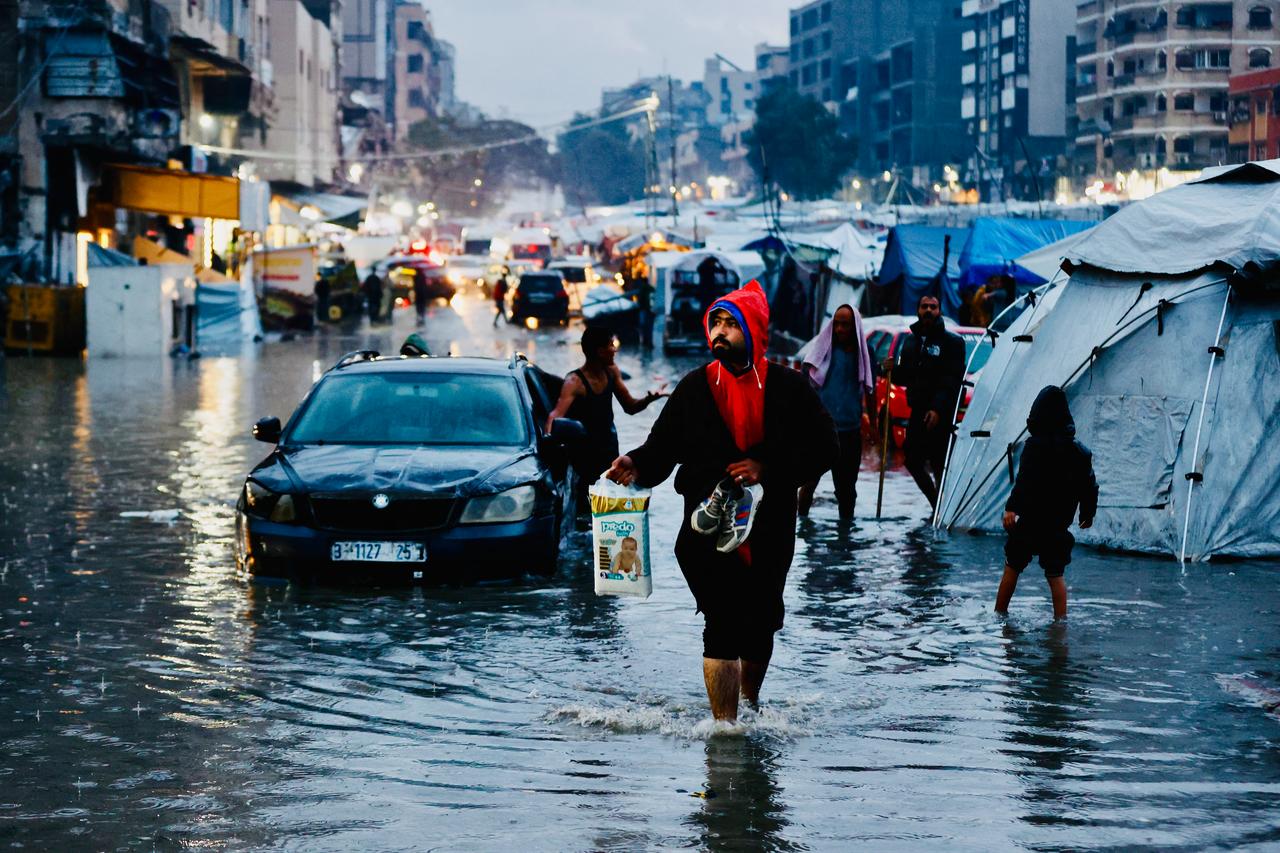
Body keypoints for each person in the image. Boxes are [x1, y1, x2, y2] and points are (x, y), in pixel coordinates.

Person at [606, 281, 837, 722]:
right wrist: (634, 463)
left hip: (769, 528)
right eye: (716, 322)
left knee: (762, 623)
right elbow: (662, 448)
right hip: (704, 527)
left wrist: (766, 467)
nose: (721, 331)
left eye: (732, 323)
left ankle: (748, 704)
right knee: (722, 624)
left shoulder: (790, 388)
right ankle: (725, 731)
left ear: (753, 330)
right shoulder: (694, 387)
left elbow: (827, 449)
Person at [995, 386, 1098, 620]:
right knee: (1055, 575)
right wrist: (1087, 513)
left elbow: (1023, 482)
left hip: (1030, 522)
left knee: (1012, 567)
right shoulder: (1080, 453)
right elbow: (1089, 486)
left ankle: (999, 615)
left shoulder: (1033, 448)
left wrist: (1011, 508)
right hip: (1057, 526)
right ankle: (1060, 625)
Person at [545, 326, 665, 511]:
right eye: (611, 345)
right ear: (600, 351)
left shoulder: (612, 372)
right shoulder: (574, 382)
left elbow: (630, 407)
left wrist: (650, 399)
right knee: (585, 510)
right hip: (583, 458)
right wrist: (547, 445)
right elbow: (555, 417)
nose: (615, 350)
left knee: (611, 508)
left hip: (609, 453)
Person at [797, 304, 875, 521]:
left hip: (850, 431)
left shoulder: (865, 353)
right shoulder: (822, 352)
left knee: (847, 490)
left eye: (846, 325)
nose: (840, 329)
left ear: (855, 327)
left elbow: (870, 390)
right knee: (808, 484)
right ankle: (801, 528)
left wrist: (875, 428)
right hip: (821, 431)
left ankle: (845, 541)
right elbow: (804, 387)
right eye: (837, 324)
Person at [888, 294, 966, 509]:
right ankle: (936, 504)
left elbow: (951, 379)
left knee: (939, 463)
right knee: (912, 460)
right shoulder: (911, 341)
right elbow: (905, 376)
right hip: (918, 410)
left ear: (939, 310)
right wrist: (890, 371)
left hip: (940, 413)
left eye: (933, 306)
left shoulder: (952, 342)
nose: (929, 310)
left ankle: (945, 509)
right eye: (924, 306)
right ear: (918, 310)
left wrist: (938, 409)